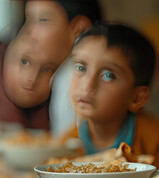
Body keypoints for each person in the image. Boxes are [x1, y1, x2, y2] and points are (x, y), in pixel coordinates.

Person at [0, 0, 101, 130]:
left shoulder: (79, 82)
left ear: (79, 29)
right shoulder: (60, 80)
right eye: (28, 20)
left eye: (43, 20)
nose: (30, 33)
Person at [62, 23, 159, 167]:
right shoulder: (68, 143)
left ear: (137, 98)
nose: (87, 85)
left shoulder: (154, 142)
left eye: (108, 75)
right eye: (81, 68)